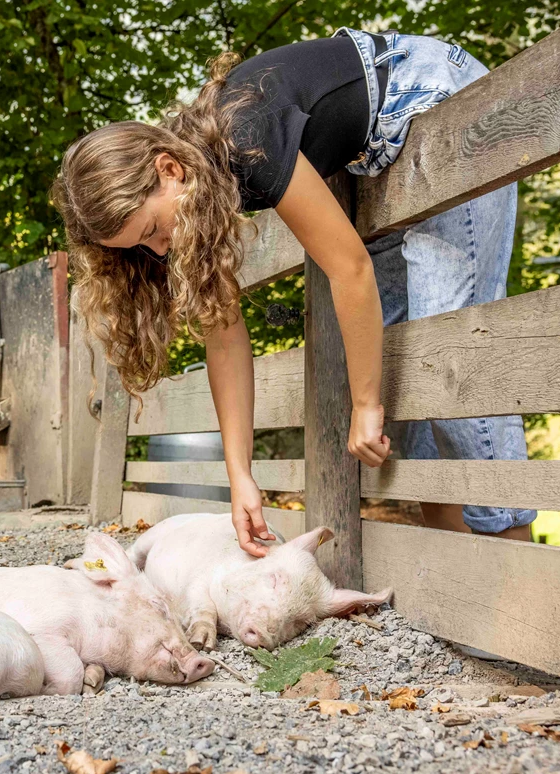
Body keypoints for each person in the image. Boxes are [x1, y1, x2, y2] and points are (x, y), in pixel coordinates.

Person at [52, 28, 535, 558]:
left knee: (447, 346)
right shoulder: (200, 192)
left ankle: (518, 573)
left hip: (434, 95)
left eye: (151, 231)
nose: (160, 250)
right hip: (375, 158)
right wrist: (240, 476)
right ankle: (461, 571)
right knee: (402, 364)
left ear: (170, 169)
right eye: (143, 246)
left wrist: (364, 404)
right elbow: (224, 340)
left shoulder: (245, 136)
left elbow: (350, 269)